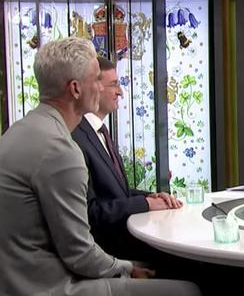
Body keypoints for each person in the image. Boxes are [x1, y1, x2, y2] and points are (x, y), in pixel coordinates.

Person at [0, 37, 202, 296]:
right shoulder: (60, 150)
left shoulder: (17, 131)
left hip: (12, 293)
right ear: (75, 88)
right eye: (97, 79)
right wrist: (127, 268)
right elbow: (80, 254)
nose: (105, 87)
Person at [72, 56, 181, 260]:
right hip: (111, 251)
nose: (120, 92)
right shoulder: (77, 138)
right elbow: (91, 212)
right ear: (94, 87)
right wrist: (144, 204)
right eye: (114, 85)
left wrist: (151, 197)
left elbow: (116, 193)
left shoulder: (99, 132)